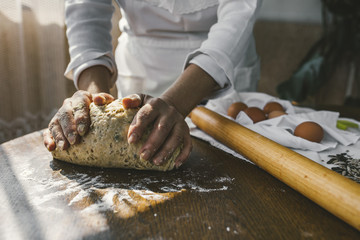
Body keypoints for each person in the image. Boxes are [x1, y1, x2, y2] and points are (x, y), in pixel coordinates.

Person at [43, 0, 262, 168]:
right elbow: (87, 9)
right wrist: (95, 102)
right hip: (141, 66)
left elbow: (240, 12)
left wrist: (175, 102)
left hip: (219, 70)